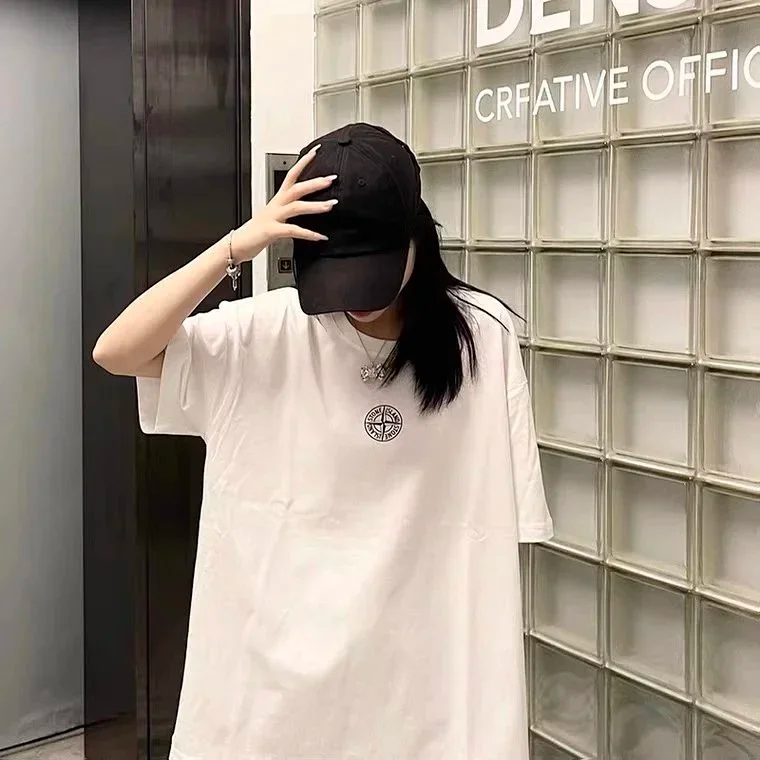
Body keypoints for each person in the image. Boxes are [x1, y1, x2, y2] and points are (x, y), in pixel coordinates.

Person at [93, 122, 553, 760]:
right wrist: (236, 245)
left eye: (370, 272)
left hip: (422, 686)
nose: (355, 301)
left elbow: (498, 531)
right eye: (336, 273)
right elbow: (116, 352)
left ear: (417, 238)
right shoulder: (265, 335)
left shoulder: (481, 338)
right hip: (278, 696)